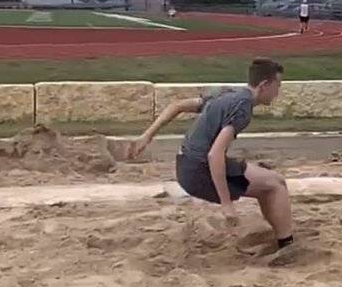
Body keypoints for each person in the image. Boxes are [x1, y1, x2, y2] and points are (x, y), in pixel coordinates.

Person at [128, 57, 299, 264]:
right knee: (275, 184)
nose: (278, 92)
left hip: (184, 163)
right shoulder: (243, 107)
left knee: (270, 183)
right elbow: (214, 154)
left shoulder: (227, 93)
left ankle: (281, 238)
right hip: (198, 171)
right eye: (277, 86)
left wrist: (146, 136)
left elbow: (177, 106)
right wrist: (227, 205)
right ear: (264, 85)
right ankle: (287, 248)